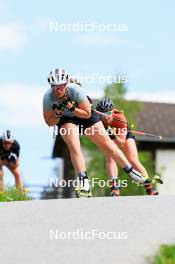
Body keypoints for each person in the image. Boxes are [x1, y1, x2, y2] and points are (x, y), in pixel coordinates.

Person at [43, 68, 149, 197]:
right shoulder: (48, 98)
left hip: (84, 114)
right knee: (73, 145)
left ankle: (132, 172)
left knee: (108, 145)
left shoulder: (76, 90)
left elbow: (87, 114)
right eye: (55, 87)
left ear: (66, 84)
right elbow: (49, 122)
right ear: (51, 86)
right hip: (66, 119)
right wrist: (57, 114)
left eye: (61, 86)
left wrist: (72, 108)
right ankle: (84, 184)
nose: (58, 90)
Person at [96, 98, 158, 196]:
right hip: (108, 134)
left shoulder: (120, 117)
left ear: (112, 111)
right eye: (102, 115)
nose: (106, 117)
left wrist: (112, 135)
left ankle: (150, 188)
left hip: (121, 135)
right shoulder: (98, 120)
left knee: (133, 160)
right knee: (110, 157)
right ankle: (115, 188)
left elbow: (121, 143)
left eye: (108, 113)